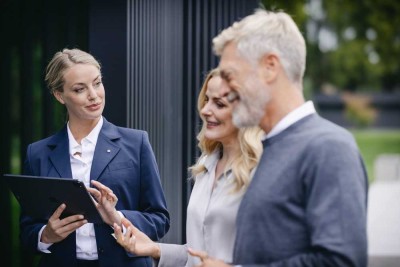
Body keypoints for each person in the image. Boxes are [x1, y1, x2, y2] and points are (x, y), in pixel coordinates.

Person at [188, 9, 369, 267]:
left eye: (231, 75)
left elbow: (341, 261)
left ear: (269, 67)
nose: (226, 91)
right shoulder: (272, 147)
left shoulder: (329, 147)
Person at [20, 48, 170, 267]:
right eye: (80, 89)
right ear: (60, 95)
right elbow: (26, 231)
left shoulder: (136, 143)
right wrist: (46, 235)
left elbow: (160, 219)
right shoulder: (38, 154)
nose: (94, 95)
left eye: (97, 83)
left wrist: (116, 217)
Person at [112, 69, 264, 266]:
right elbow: (197, 254)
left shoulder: (262, 172)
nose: (205, 110)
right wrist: (155, 249)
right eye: (207, 99)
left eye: (219, 104)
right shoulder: (206, 165)